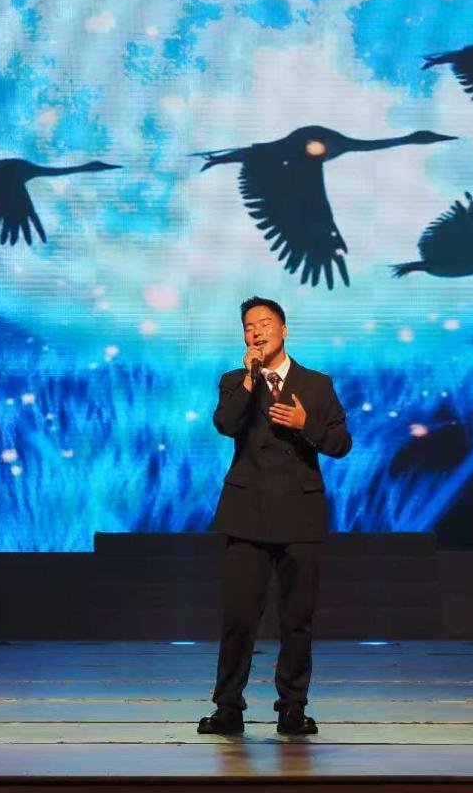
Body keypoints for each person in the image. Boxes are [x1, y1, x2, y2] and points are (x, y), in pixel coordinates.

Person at [197, 296, 352, 736]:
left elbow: (341, 444)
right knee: (239, 618)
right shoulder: (235, 381)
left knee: (296, 619)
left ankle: (292, 708)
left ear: (284, 330)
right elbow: (226, 424)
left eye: (265, 324)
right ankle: (228, 708)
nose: (257, 332)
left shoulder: (316, 384)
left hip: (299, 514)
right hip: (247, 514)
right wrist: (251, 379)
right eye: (249, 327)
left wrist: (306, 424)